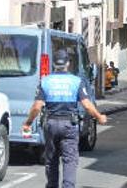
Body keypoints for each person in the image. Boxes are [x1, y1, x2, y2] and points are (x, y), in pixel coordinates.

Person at [22, 50, 108, 188]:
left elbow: (37, 107)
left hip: (50, 124)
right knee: (69, 160)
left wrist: (28, 123)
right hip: (69, 125)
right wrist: (99, 117)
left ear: (54, 64)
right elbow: (86, 104)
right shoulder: (76, 81)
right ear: (68, 63)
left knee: (51, 159)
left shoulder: (45, 81)